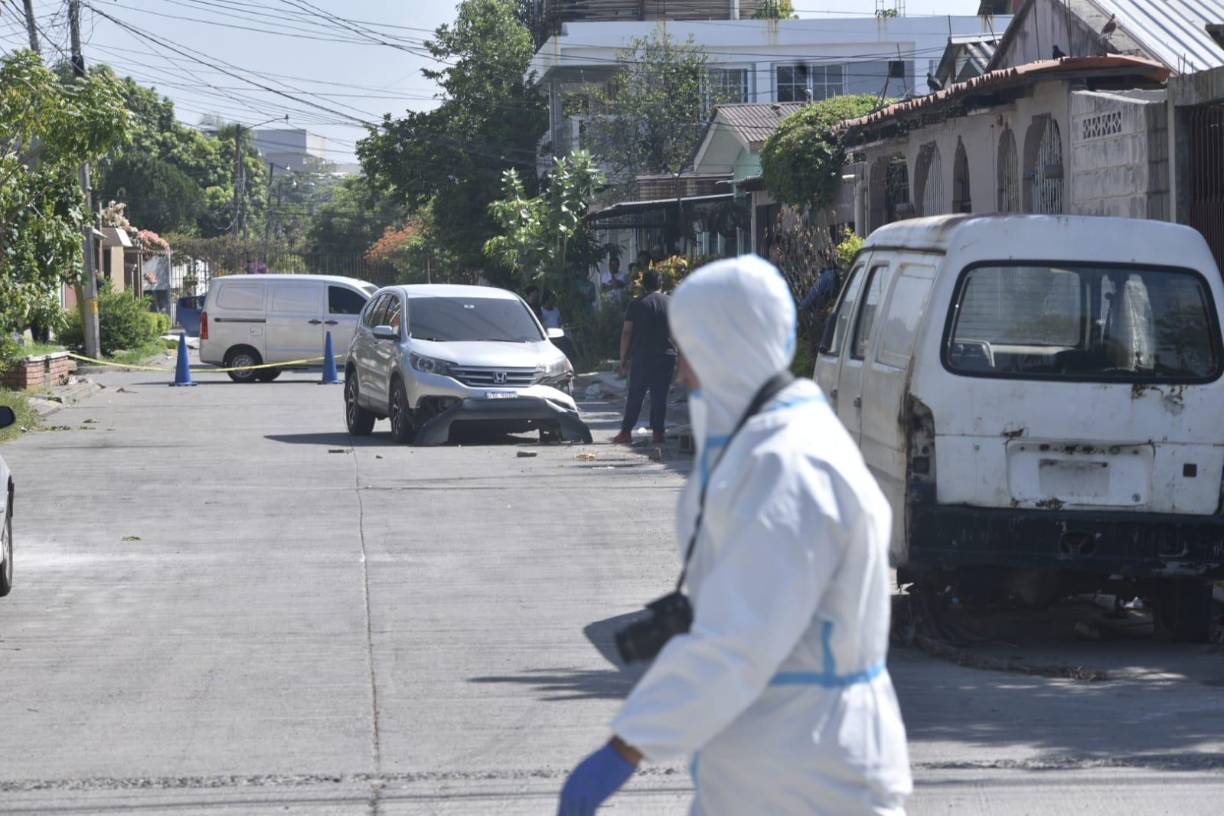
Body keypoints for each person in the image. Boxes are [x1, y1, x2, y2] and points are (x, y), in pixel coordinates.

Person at [558, 255, 911, 815]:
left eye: (690, 354)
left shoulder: (788, 466)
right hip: (769, 767)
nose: (682, 374)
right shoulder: (768, 446)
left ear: (725, 348)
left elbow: (738, 639)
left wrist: (625, 749)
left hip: (813, 776)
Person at [611, 269, 675, 446]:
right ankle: (658, 433)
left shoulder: (636, 304)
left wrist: (623, 357)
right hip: (666, 356)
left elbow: (626, 332)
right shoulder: (671, 303)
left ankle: (626, 432)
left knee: (636, 394)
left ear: (643, 284)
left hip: (642, 356)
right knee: (660, 395)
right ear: (660, 283)